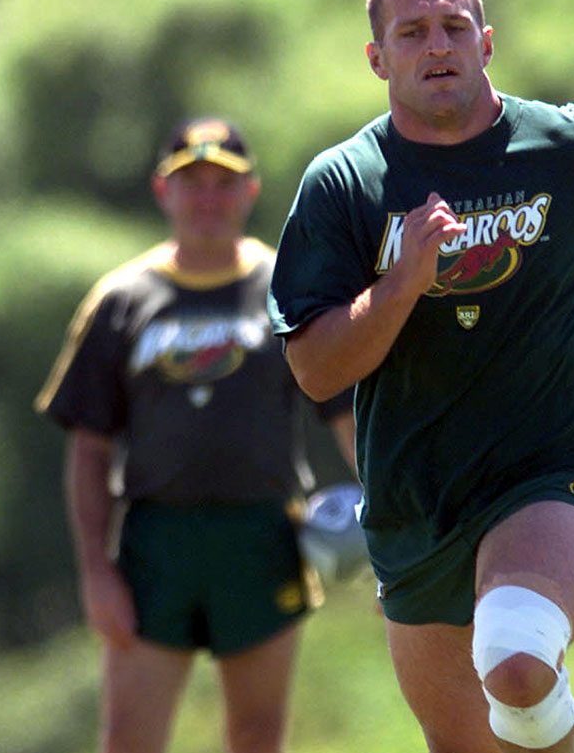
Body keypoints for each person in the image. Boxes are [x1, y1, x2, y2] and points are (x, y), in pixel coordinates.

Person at [267, 0, 574, 751]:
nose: (437, 47)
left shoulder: (572, 146)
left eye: (454, 27)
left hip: (554, 469)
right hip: (414, 505)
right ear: (377, 59)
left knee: (516, 663)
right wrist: (400, 285)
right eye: (412, 33)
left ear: (486, 43)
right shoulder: (344, 185)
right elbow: (318, 371)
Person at [36, 118, 357, 753]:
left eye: (223, 184)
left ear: (251, 192)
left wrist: (396, 534)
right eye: (193, 184)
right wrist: (96, 574)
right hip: (158, 543)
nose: (208, 199)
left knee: (257, 737)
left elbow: (346, 415)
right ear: (164, 191)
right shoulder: (121, 299)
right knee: (129, 739)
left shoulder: (287, 287)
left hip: (263, 535)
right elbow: (88, 447)